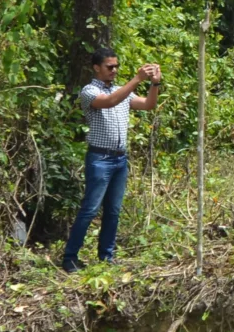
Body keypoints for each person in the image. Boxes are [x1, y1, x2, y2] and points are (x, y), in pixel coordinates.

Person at [62, 49, 160, 271]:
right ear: (97, 68)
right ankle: (70, 258)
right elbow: (108, 102)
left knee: (113, 210)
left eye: (116, 66)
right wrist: (137, 79)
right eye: (109, 67)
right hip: (100, 158)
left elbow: (147, 105)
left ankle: (106, 257)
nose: (114, 70)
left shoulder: (120, 90)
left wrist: (154, 84)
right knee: (90, 209)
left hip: (119, 159)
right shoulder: (89, 91)